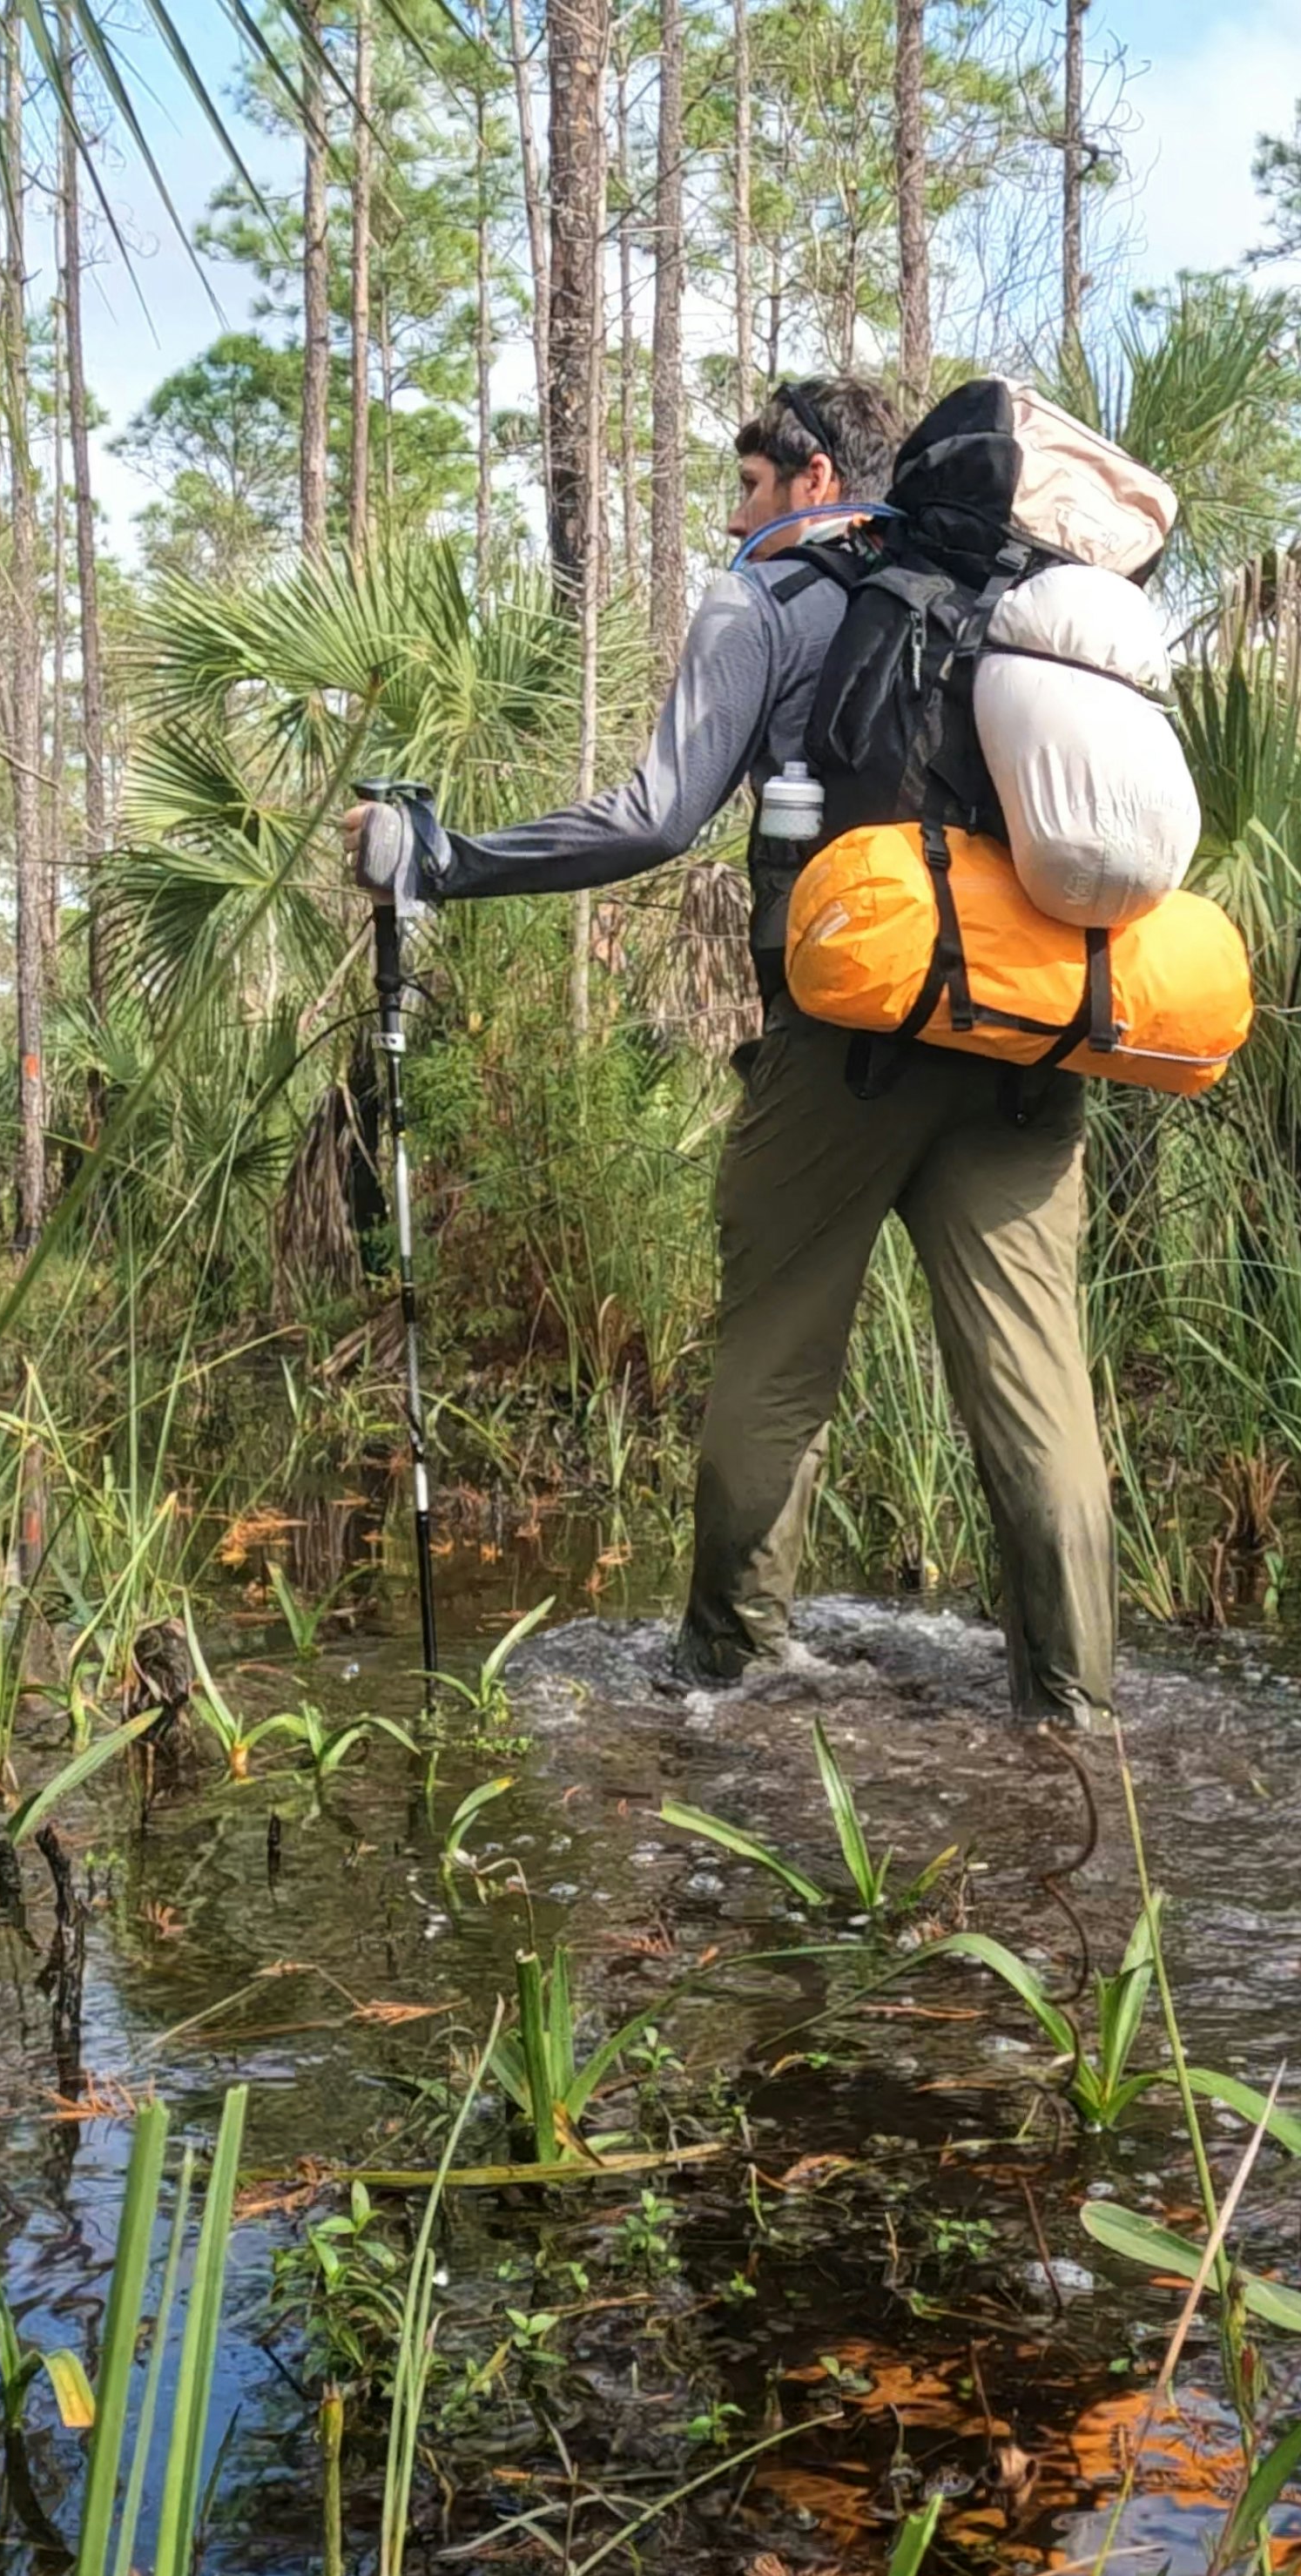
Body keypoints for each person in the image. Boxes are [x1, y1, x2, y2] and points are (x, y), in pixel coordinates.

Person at [340, 376, 1116, 1739]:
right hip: (1029, 1041)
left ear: (813, 476)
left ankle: (735, 1668)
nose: (736, 508)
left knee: (776, 1356)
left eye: (748, 480)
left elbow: (653, 820)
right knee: (1037, 1382)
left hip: (849, 1042)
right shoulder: (1019, 601)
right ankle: (1077, 1703)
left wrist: (450, 860)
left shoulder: (770, 596)